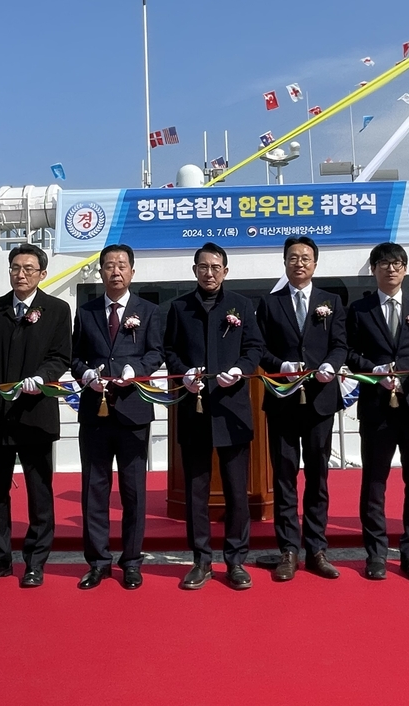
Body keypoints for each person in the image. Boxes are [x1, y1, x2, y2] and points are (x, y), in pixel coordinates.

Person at [0, 243, 71, 589]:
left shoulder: (57, 310)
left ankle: (35, 562)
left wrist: (41, 377)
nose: (21, 274)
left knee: (39, 490)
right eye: (15, 267)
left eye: (29, 268)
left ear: (42, 274)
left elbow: (61, 356)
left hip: (35, 412)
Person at [163, 243, 264, 591]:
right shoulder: (179, 308)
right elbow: (170, 350)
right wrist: (183, 373)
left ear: (226, 270)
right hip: (194, 409)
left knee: (237, 491)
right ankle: (201, 559)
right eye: (203, 267)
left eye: (216, 267)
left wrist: (240, 369)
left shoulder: (243, 306)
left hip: (232, 409)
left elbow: (255, 348)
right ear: (194, 270)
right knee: (196, 491)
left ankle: (236, 560)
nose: (210, 273)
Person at [345, 242, 409, 582]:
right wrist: (371, 369)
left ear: (405, 268)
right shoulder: (359, 310)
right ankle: (375, 554)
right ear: (373, 269)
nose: (391, 269)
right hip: (377, 407)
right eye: (384, 263)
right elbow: (349, 352)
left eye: (397, 263)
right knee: (374, 484)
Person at [70, 244, 162, 590]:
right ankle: (97, 562)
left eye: (122, 265)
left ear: (132, 272)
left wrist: (134, 368)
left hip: (133, 411)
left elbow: (156, 354)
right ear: (101, 272)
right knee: (94, 490)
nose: (115, 271)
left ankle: (132, 562)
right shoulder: (87, 311)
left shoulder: (149, 310)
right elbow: (75, 357)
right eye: (109, 266)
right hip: (95, 412)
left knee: (133, 491)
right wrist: (86, 375)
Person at [255, 235, 346, 582]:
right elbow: (259, 348)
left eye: (306, 258)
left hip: (320, 402)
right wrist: (281, 365)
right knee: (284, 478)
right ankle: (288, 551)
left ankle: (317, 549)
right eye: (293, 257)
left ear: (315, 264)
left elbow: (341, 344)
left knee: (318, 478)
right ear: (285, 262)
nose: (300, 263)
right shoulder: (270, 303)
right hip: (283, 401)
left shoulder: (331, 301)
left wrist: (331, 365)